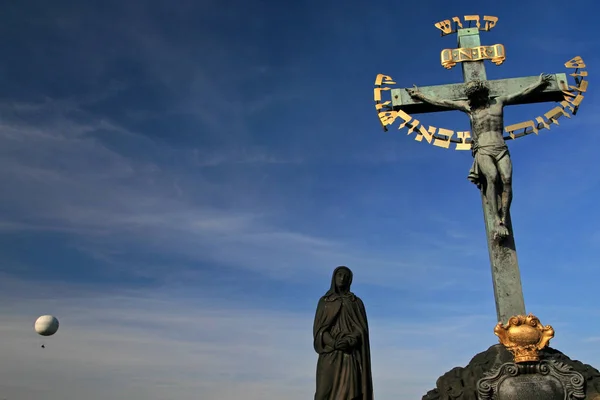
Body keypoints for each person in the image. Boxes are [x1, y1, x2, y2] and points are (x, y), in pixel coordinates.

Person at [407, 74, 552, 239]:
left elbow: (521, 93)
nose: (477, 99)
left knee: (506, 180)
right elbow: (444, 102)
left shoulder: (499, 102)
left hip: (500, 147)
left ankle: (504, 218)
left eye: (480, 95)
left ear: (485, 93)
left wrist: (539, 83)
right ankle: (496, 220)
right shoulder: (469, 108)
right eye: (474, 97)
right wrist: (421, 96)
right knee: (492, 176)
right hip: (483, 149)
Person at [313, 266, 373, 400]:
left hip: (349, 354)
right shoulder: (325, 302)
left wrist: (350, 340)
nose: (342, 278)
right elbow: (319, 331)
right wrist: (333, 342)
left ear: (350, 280)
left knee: (349, 394)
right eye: (339, 275)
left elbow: (361, 330)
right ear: (334, 277)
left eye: (346, 276)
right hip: (329, 353)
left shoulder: (356, 303)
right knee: (323, 393)